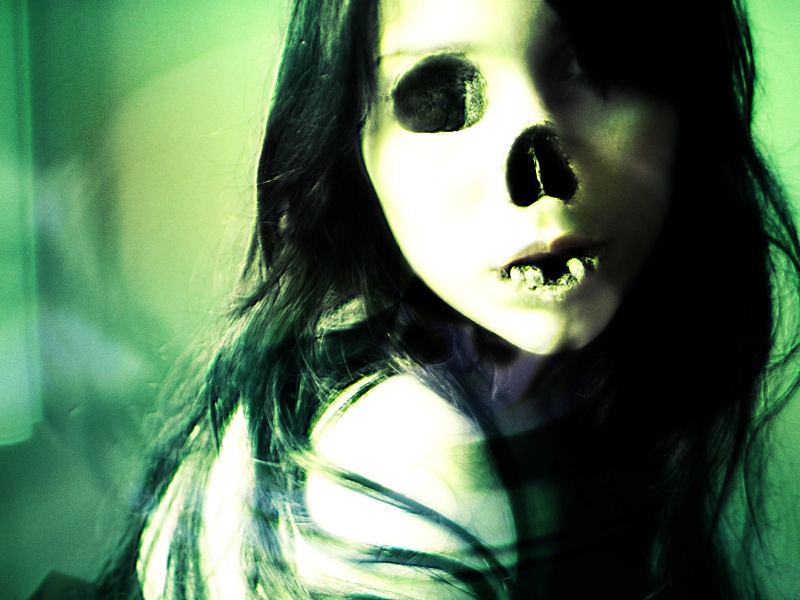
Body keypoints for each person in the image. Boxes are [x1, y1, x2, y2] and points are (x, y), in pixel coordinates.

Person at [96, 0, 800, 597]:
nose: (539, 177)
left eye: (600, 67)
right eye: (439, 98)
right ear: (352, 153)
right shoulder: (399, 467)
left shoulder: (581, 406)